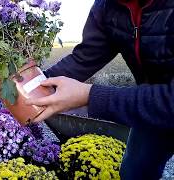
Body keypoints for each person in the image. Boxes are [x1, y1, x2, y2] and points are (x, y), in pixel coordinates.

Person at [25, 0, 174, 179]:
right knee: (133, 173)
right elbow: (83, 59)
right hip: (147, 105)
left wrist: (90, 95)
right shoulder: (107, 6)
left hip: (165, 101)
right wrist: (28, 88)